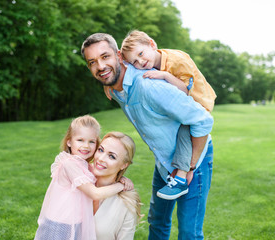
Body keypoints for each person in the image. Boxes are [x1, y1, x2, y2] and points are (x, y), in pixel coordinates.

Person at [81, 33, 214, 239]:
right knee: (157, 222)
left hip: (194, 159)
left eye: (105, 57)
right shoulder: (116, 89)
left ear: (118, 56)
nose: (100, 66)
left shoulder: (149, 86)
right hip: (163, 162)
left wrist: (190, 165)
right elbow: (113, 77)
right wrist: (109, 83)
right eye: (93, 62)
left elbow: (203, 120)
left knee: (189, 232)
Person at [119, 30, 217, 200]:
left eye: (141, 54)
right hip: (184, 105)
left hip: (199, 102)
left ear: (152, 44)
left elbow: (185, 91)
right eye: (135, 61)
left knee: (184, 134)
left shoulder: (177, 60)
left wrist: (165, 75)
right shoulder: (150, 64)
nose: (141, 62)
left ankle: (181, 176)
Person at [34, 115, 133, 240]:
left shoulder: (82, 165)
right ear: (69, 141)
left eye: (91, 141)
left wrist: (122, 178)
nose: (86, 146)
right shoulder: (69, 164)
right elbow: (94, 193)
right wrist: (120, 185)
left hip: (74, 223)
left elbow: (100, 170)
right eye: (80, 140)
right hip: (59, 225)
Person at [92, 131, 143, 240]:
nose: (101, 158)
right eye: (100, 150)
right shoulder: (78, 183)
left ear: (124, 165)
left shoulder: (126, 203)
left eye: (111, 156)